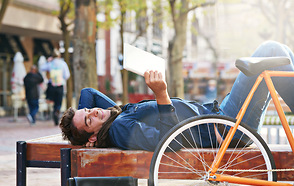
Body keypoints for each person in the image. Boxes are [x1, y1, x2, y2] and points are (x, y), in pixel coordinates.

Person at [60, 41, 294, 151]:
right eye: (89, 119)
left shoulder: (114, 118)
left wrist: (82, 121)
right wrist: (161, 94)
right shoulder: (120, 128)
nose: (93, 110)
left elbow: (88, 93)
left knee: (279, 58)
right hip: (226, 128)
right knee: (271, 51)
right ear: (93, 137)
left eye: (88, 110)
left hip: (220, 117)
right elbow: (170, 142)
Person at [40, 49, 70, 125]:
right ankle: (57, 111)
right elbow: (67, 75)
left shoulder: (50, 64)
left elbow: (41, 68)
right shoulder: (63, 64)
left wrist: (48, 61)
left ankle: (54, 111)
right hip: (60, 85)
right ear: (59, 56)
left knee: (52, 100)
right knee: (58, 102)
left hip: (52, 86)